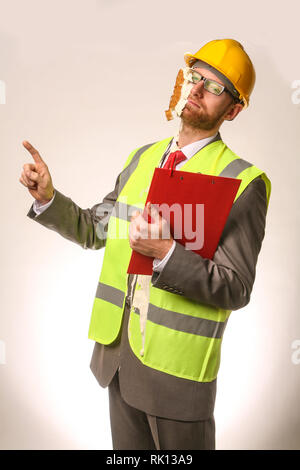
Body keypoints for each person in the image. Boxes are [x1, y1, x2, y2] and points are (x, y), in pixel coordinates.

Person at [19, 39, 271, 450]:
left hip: (177, 376)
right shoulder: (142, 157)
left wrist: (168, 254)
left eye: (214, 86)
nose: (196, 90)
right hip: (117, 361)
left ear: (234, 109)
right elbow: (95, 229)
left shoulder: (243, 182)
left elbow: (236, 287)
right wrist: (48, 197)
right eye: (195, 77)